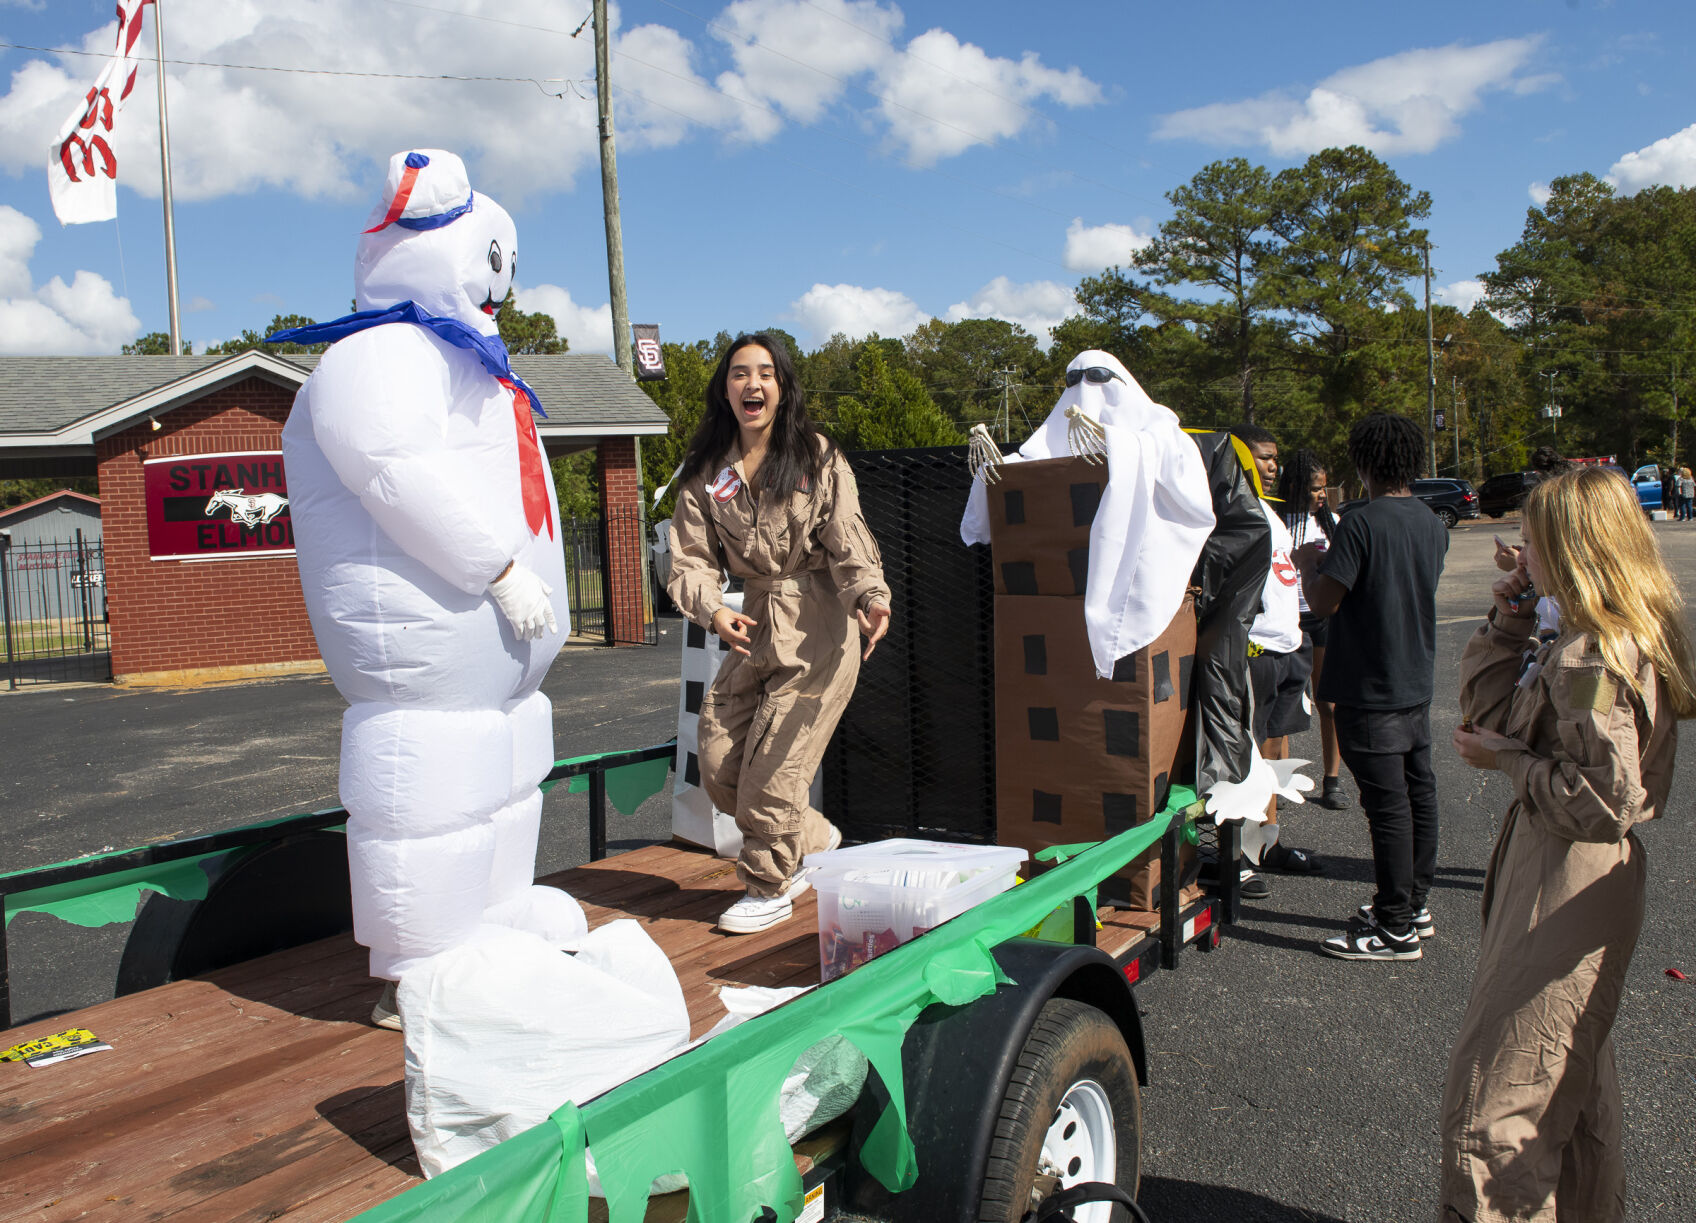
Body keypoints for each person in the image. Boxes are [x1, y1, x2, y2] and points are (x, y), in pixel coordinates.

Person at [1442, 466, 1695, 1221]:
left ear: (1574, 548)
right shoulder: (1581, 635)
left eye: (1531, 545)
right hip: (1557, 863)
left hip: (1567, 871)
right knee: (1572, 1092)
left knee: (1494, 1111)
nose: (1521, 558)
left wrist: (1508, 762)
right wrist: (1513, 612)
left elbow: (1603, 801)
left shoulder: (1593, 654)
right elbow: (1487, 707)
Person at [667, 335, 893, 934]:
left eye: (766, 373)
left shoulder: (816, 457)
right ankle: (815, 837)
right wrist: (713, 609)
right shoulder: (707, 473)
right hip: (756, 627)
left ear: (783, 388)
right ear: (725, 389)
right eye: (739, 373)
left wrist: (870, 596)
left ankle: (769, 883)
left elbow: (848, 537)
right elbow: (688, 561)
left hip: (820, 623)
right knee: (719, 763)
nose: (753, 384)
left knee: (774, 774)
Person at [1294, 413, 1447, 961]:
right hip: (1414, 678)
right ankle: (1414, 904)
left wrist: (1308, 564)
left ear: (1363, 463)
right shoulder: (1431, 521)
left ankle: (1394, 927)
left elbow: (1324, 601)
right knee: (1416, 795)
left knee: (1387, 808)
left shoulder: (1361, 523)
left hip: (1367, 684)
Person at [1232, 424, 1322, 881]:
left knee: (1276, 746)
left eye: (1274, 458)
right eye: (1263, 458)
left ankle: (1268, 842)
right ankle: (1237, 854)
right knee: (1245, 748)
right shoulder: (1228, 506)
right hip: (1256, 647)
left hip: (1290, 645)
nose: (1272, 467)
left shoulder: (1271, 510)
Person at [1275, 448, 1346, 810]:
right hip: (1288, 619)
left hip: (1321, 620)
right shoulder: (1278, 519)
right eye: (1316, 487)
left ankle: (1332, 781)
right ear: (1298, 486)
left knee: (1328, 703)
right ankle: (1281, 781)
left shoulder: (1332, 521)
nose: (1322, 493)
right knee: (1287, 704)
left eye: (1324, 487)